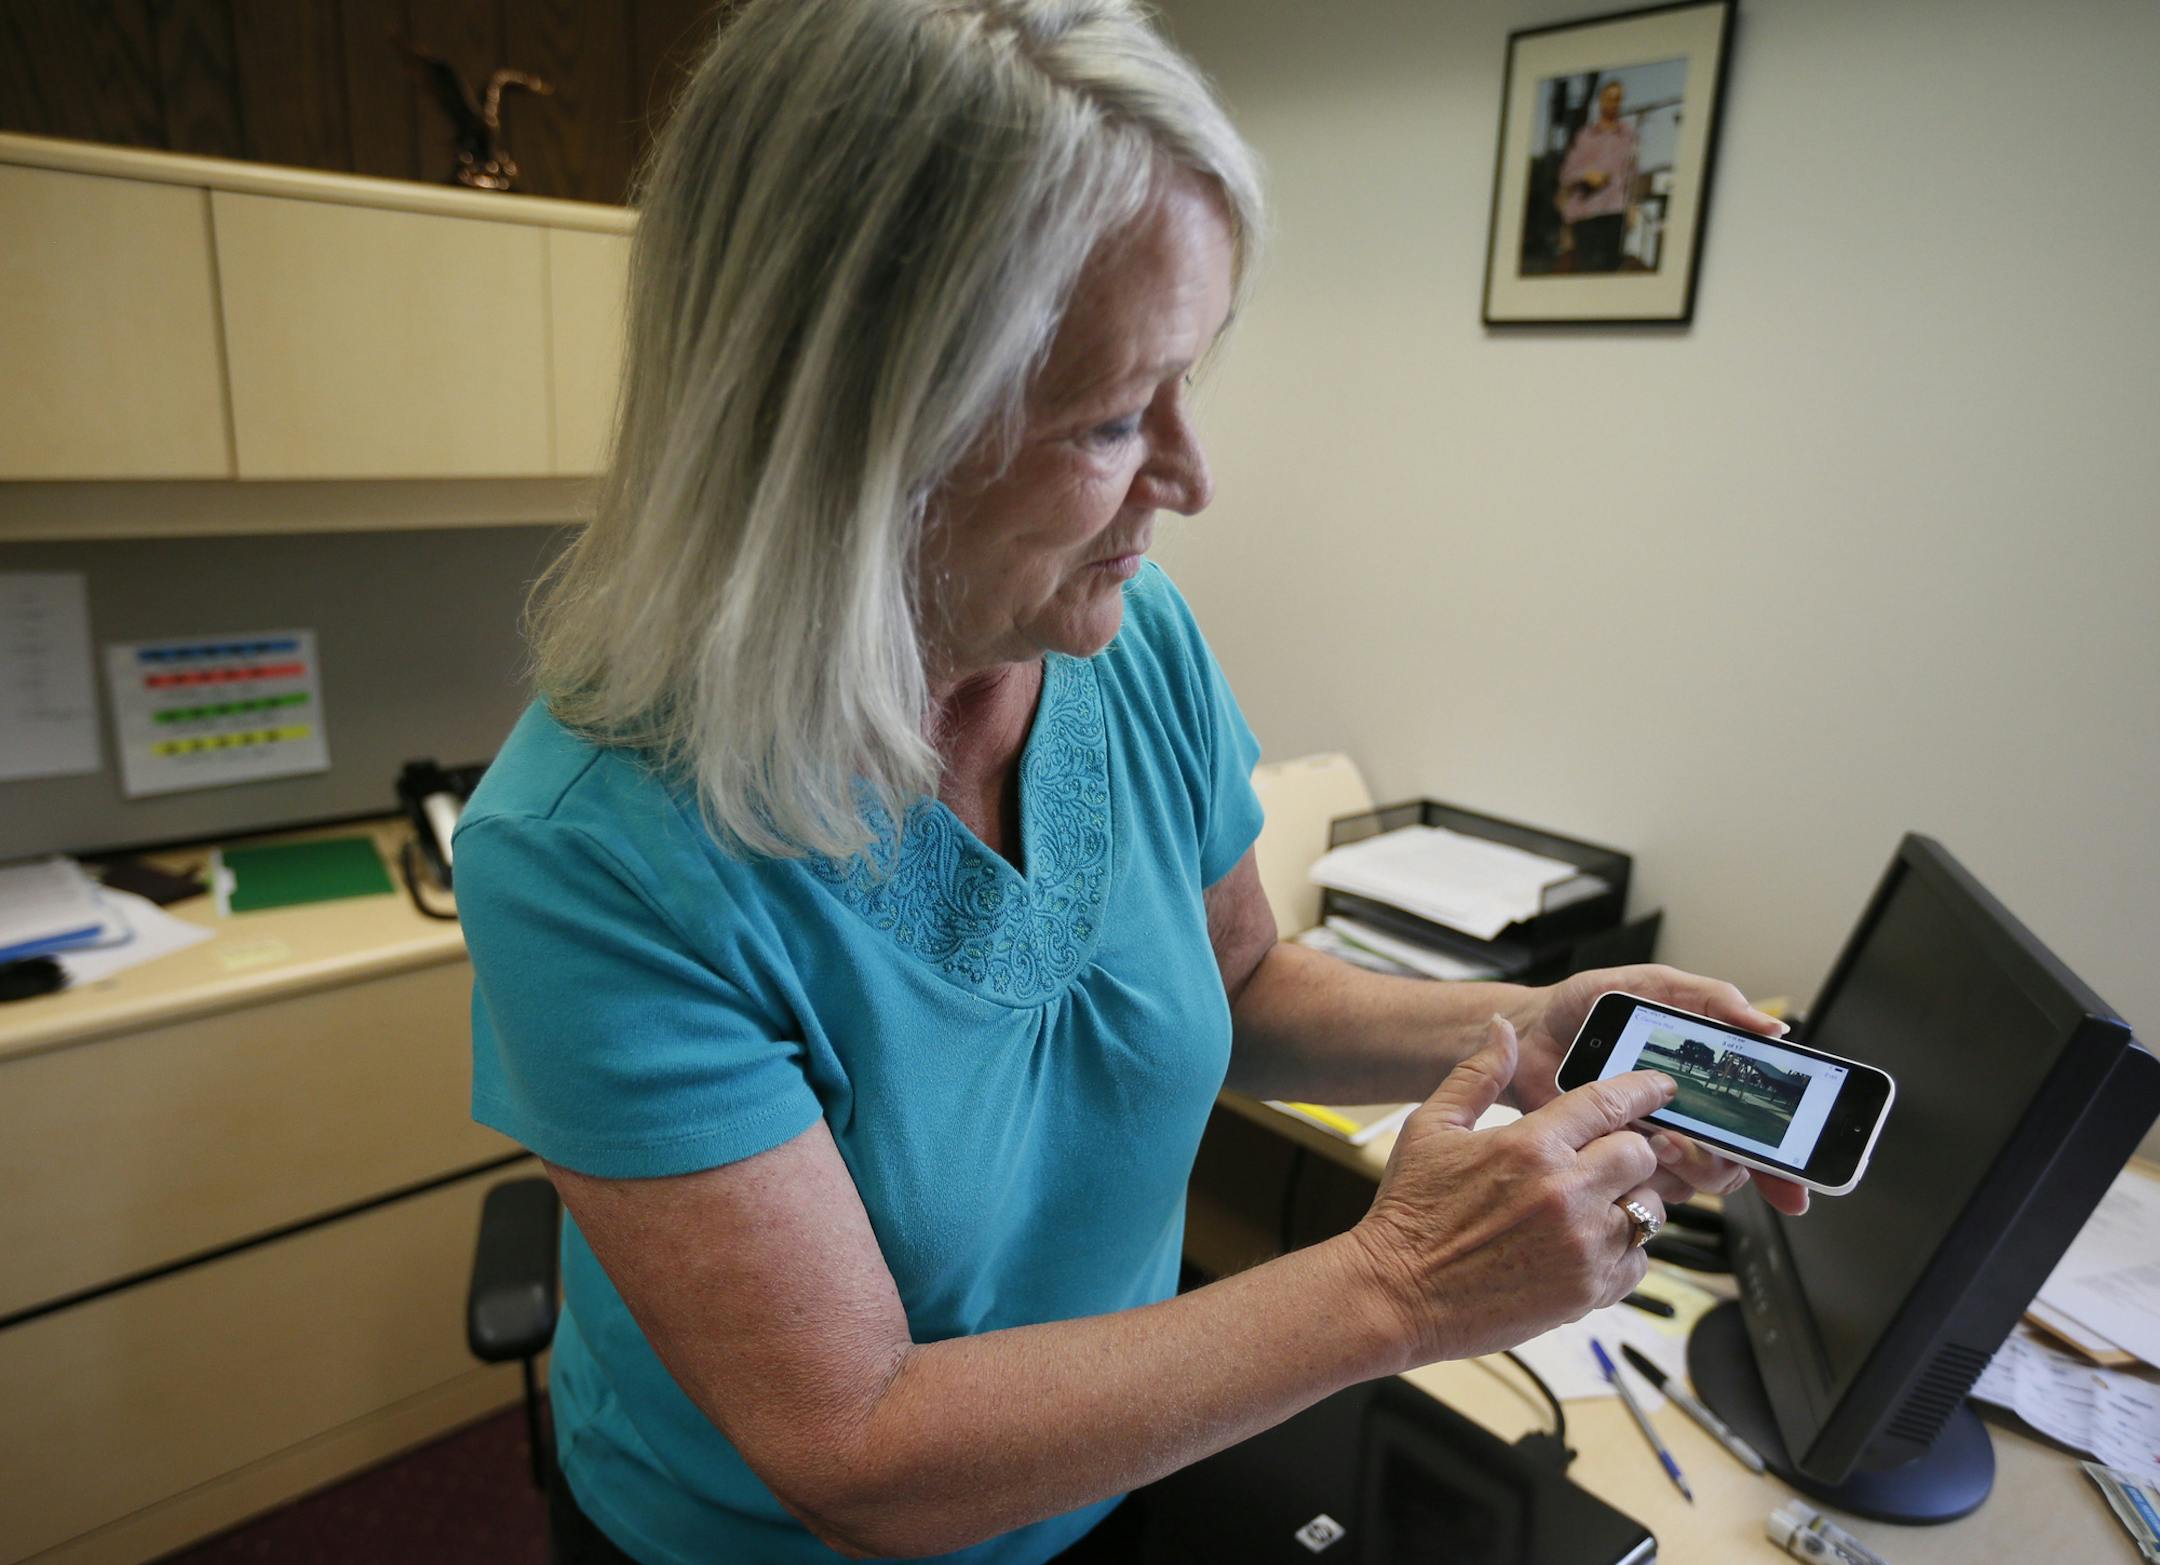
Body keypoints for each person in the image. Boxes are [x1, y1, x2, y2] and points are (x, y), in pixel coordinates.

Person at [454, 4, 1808, 1562]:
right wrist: (1406, 1283)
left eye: (1184, 382)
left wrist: (1520, 1038)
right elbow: (859, 1441)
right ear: (859, 429)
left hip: (1113, 1477)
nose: (1190, 474)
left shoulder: (1120, 631)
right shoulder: (589, 855)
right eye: (1112, 415)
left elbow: (1239, 981)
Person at [1557, 78, 1639, 272]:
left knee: (1610, 271)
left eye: (1617, 99)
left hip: (1615, 212)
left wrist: (1633, 206)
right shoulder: (1586, 135)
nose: (1613, 103)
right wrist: (1587, 175)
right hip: (1587, 214)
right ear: (1601, 100)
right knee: (1587, 270)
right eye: (1609, 98)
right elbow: (1566, 174)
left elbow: (1632, 174)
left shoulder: (1628, 136)